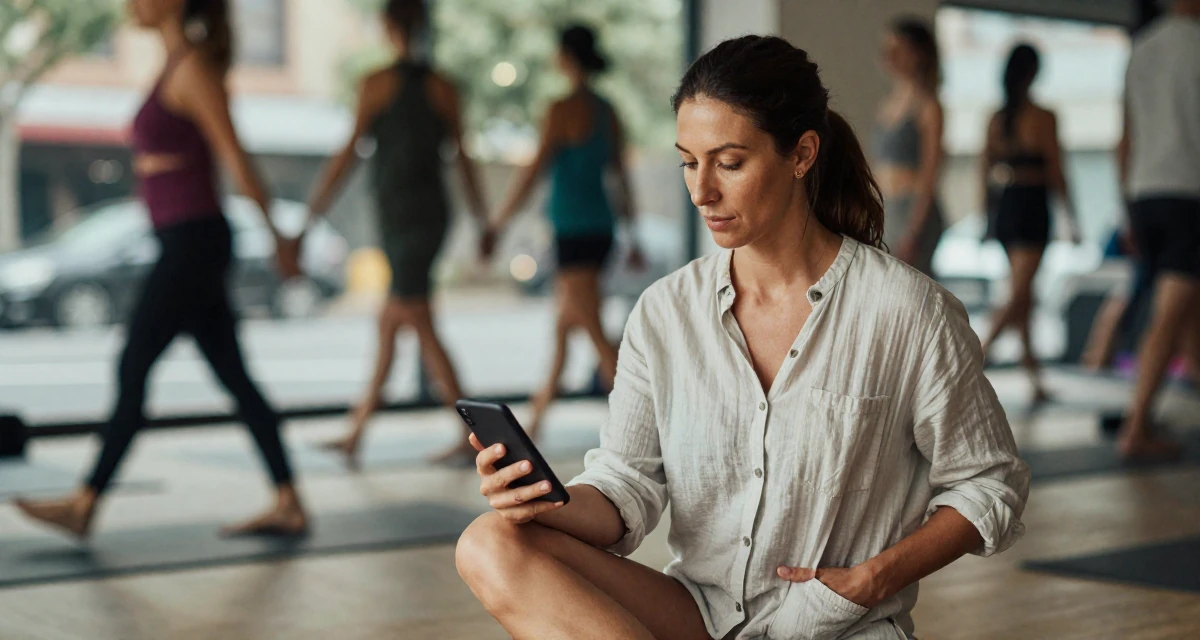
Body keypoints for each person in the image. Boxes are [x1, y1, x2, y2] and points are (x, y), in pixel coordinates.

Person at [456, 35, 1029, 640]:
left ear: (802, 153)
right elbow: (625, 484)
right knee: (488, 542)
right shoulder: (664, 313)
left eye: (729, 163)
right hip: (700, 617)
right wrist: (548, 504)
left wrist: (873, 579)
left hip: (828, 628)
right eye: (688, 161)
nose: (702, 190)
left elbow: (989, 483)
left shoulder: (907, 311)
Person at [14, 0, 307, 538]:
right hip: (181, 237)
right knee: (235, 378)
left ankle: (84, 502)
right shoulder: (174, 65)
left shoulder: (193, 68)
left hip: (194, 241)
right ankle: (289, 499)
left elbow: (236, 158)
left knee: (133, 363)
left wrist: (279, 238)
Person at [304, 0, 489, 465]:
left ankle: (483, 438)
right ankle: (356, 432)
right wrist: (483, 220)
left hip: (407, 219)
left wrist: (309, 216)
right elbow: (463, 160)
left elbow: (347, 155)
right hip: (423, 217)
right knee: (390, 324)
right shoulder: (443, 87)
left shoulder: (377, 83)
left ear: (388, 27)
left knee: (419, 322)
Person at [488, 24, 642, 441]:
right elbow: (621, 178)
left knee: (591, 328)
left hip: (572, 232)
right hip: (601, 230)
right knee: (563, 329)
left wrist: (499, 223)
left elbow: (532, 173)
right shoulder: (607, 111)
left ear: (567, 57)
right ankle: (532, 427)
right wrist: (634, 234)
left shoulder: (560, 109)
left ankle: (652, 422)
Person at [1114, 0, 1200, 458]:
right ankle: (1135, 429)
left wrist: (1127, 209)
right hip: (1188, 193)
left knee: (1186, 314)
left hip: (1146, 194)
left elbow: (1124, 138)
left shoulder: (1141, 48)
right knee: (1171, 315)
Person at [979, 43, 1081, 403]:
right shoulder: (1042, 116)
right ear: (1032, 73)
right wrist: (1072, 217)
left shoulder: (998, 118)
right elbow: (1056, 169)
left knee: (1025, 295)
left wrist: (987, 218)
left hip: (1007, 206)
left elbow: (984, 172)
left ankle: (1033, 378)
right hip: (1031, 206)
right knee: (1020, 293)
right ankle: (974, 357)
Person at [874, 18, 946, 277]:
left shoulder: (928, 106)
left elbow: (930, 172)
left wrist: (914, 230)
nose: (889, 56)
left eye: (899, 49)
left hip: (913, 210)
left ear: (919, 54)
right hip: (888, 209)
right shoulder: (886, 104)